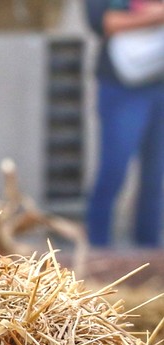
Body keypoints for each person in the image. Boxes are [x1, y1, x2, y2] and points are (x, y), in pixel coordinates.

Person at [85, 0, 164, 247]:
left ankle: (149, 249)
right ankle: (97, 248)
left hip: (158, 81)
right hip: (121, 85)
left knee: (155, 175)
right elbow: (104, 22)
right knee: (114, 170)